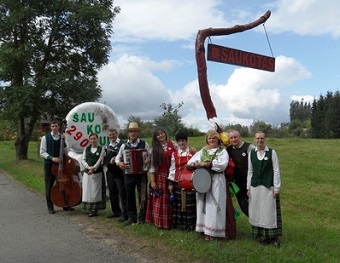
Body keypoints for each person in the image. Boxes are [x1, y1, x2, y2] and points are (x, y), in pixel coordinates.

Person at [186, 130, 228, 240]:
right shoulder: (202, 151)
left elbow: (223, 165)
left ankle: (214, 232)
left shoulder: (222, 151)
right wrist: (192, 164)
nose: (211, 140)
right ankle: (203, 229)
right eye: (209, 138)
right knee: (202, 204)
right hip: (202, 180)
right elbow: (191, 162)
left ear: (218, 139)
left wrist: (208, 164)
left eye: (214, 138)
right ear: (207, 140)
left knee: (215, 205)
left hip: (216, 179)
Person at [247, 131, 282, 247]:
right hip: (255, 186)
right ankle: (260, 235)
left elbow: (276, 171)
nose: (260, 140)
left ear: (265, 139)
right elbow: (250, 171)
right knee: (257, 210)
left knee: (269, 211)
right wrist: (248, 187)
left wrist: (276, 188)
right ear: (254, 139)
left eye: (262, 138)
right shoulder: (251, 153)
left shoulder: (272, 153)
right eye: (257, 138)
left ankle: (273, 236)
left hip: (268, 186)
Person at [116, 122, 151, 225]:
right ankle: (132, 217)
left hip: (141, 174)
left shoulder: (144, 144)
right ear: (128, 133)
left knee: (143, 196)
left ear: (137, 133)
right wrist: (120, 163)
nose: (133, 133)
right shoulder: (123, 146)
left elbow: (150, 156)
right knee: (129, 196)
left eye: (135, 131)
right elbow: (118, 158)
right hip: (128, 173)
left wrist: (148, 160)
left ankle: (142, 218)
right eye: (131, 131)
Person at [40, 120, 75, 214]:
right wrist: (52, 158)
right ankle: (50, 206)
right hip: (50, 165)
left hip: (61, 165)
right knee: (50, 186)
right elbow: (42, 152)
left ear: (59, 127)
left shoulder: (62, 137)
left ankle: (65, 204)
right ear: (50, 127)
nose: (55, 127)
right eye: (53, 126)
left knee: (63, 184)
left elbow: (66, 151)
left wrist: (64, 141)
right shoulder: (45, 138)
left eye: (56, 126)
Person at [145, 128, 176, 229]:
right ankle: (161, 222)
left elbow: (182, 151)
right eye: (158, 135)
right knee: (162, 200)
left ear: (165, 134)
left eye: (162, 133)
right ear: (156, 138)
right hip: (161, 176)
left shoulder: (173, 144)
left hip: (173, 174)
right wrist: (153, 181)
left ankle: (175, 221)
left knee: (173, 199)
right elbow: (153, 166)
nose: (161, 135)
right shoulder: (154, 149)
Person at [168, 131, 196, 230]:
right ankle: (180, 223)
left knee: (189, 203)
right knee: (178, 203)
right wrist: (170, 183)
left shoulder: (193, 152)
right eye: (179, 141)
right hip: (177, 180)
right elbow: (172, 168)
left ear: (186, 141)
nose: (181, 143)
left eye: (183, 140)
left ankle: (191, 224)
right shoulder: (174, 154)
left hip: (190, 180)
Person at [226, 130, 255, 217]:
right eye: (231, 138)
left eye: (235, 137)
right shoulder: (228, 150)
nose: (234, 139)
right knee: (243, 206)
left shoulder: (249, 147)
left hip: (250, 181)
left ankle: (260, 224)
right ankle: (255, 221)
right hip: (237, 183)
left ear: (240, 137)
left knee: (254, 204)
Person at [104, 128, 128, 221]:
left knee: (122, 193)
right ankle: (116, 212)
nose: (111, 136)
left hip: (119, 172)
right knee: (112, 193)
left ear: (117, 134)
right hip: (110, 172)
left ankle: (125, 213)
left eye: (113, 134)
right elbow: (105, 159)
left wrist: (117, 160)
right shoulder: (108, 146)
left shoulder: (123, 144)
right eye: (110, 135)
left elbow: (125, 156)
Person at [81, 133, 106, 217]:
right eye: (91, 139)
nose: (93, 140)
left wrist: (93, 168)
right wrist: (88, 167)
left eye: (94, 138)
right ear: (89, 140)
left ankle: (95, 209)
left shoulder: (101, 149)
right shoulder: (86, 149)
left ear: (97, 139)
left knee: (96, 191)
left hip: (97, 173)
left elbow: (100, 160)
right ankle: (88, 208)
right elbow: (83, 159)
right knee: (88, 190)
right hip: (87, 173)